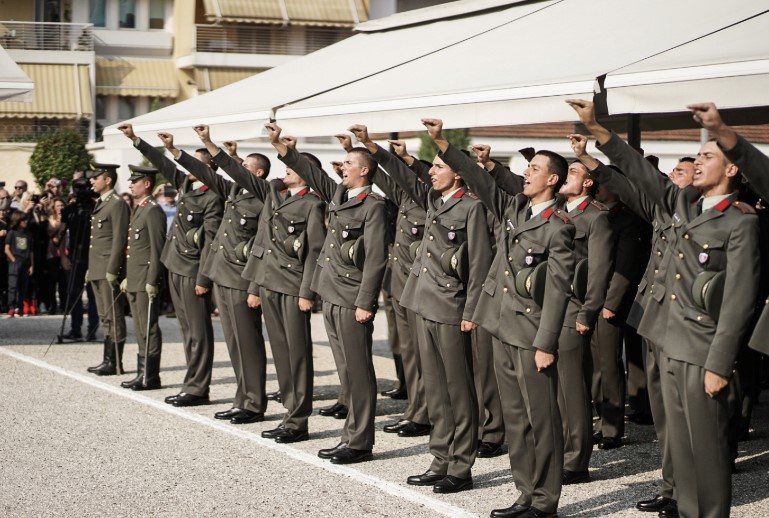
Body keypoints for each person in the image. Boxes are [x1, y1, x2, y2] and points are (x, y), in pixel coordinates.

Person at [568, 98, 759, 518]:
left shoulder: (741, 221)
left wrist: (719, 362)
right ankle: (683, 505)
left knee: (705, 448)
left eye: (708, 155)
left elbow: (740, 299)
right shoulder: (682, 205)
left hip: (700, 346)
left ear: (731, 169)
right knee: (678, 440)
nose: (699, 161)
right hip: (666, 335)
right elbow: (636, 170)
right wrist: (599, 131)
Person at [434, 118, 574, 517]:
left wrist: (546, 343)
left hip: (532, 335)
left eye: (534, 170)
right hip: (503, 327)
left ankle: (545, 502)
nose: (526, 174)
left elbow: (559, 290)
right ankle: (525, 493)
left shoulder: (558, 227)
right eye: (526, 170)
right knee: (516, 419)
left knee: (541, 419)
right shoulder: (517, 208)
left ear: (553, 181)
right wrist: (443, 144)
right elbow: (479, 180)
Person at [357, 121, 491, 493]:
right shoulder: (434, 200)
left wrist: (471, 312)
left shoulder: (472, 209)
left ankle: (461, 466)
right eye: (431, 166)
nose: (430, 172)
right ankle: (440, 457)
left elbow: (479, 264)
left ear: (458, 175)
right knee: (435, 388)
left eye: (438, 166)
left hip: (451, 307)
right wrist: (371, 147)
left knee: (458, 390)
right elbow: (404, 177)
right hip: (423, 303)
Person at [569, 137, 694, 517]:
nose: (673, 175)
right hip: (654, 321)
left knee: (686, 417)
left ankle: (691, 494)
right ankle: (673, 489)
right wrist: (590, 157)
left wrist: (600, 138)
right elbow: (626, 181)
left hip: (686, 327)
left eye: (684, 171)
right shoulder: (660, 211)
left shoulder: (721, 216)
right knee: (665, 421)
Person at [266, 122, 387, 465]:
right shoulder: (340, 197)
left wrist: (366, 301)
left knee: (359, 371)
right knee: (346, 370)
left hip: (352, 298)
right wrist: (284, 148)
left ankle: (361, 441)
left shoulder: (373, 206)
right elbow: (311, 173)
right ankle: (349, 435)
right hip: (332, 294)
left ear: (364, 171)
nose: (342, 168)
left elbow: (376, 258)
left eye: (348, 164)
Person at [195, 124, 325, 440]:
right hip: (269, 284)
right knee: (281, 353)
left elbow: (315, 252)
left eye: (291, 167)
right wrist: (211, 146)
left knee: (297, 355)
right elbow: (263, 244)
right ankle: (289, 417)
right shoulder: (274, 195)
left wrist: (308, 291)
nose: (284, 172)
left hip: (293, 287)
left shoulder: (313, 203)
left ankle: (298, 420)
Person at [167, 125, 271, 425]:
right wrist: (177, 151)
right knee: (235, 343)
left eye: (245, 168)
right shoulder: (235, 192)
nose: (238, 172)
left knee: (248, 342)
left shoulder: (263, 199)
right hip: (222, 277)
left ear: (258, 174)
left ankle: (253, 403)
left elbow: (260, 248)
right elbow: (210, 173)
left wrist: (211, 144)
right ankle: (242, 399)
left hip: (240, 279)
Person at [119, 123, 224, 407]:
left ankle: (198, 389)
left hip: (192, 271)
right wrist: (136, 140)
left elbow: (211, 242)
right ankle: (191, 383)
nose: (189, 168)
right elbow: (163, 164)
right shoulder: (187, 186)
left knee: (198, 332)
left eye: (196, 164)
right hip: (175, 265)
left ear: (210, 168)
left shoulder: (213, 197)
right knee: (187, 330)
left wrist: (204, 278)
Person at [336, 134, 430, 438]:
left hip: (420, 286)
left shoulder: (426, 199)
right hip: (398, 281)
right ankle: (415, 407)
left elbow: (396, 176)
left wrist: (394, 156)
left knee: (420, 351)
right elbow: (379, 176)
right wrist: (356, 154)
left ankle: (423, 411)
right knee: (407, 349)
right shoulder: (403, 199)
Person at [118, 166, 167, 391]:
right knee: (139, 327)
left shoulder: (153, 210)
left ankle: (150, 376)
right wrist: (129, 277)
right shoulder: (140, 209)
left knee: (149, 327)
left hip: (146, 278)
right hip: (136, 278)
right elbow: (136, 248)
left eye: (134, 182)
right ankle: (142, 373)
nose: (130, 185)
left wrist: (152, 280)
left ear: (146, 184)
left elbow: (157, 250)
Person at [86, 163, 129, 375]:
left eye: (96, 177)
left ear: (108, 180)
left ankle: (115, 362)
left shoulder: (117, 204)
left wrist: (113, 269)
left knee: (113, 314)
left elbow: (119, 239)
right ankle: (107, 359)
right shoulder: (102, 203)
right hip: (97, 267)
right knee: (104, 315)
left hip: (107, 269)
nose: (92, 181)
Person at [61, 178, 100, 341]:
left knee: (93, 294)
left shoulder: (97, 208)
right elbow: (62, 233)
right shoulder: (69, 210)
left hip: (93, 255)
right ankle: (75, 328)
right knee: (73, 292)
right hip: (75, 254)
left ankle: (92, 329)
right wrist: (63, 255)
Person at [5, 211, 34, 317]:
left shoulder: (28, 234)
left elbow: (31, 251)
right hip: (15, 262)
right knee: (13, 285)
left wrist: (31, 265)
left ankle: (19, 307)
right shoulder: (12, 233)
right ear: (18, 221)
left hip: (25, 262)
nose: (25, 222)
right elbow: (6, 249)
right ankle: (11, 307)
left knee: (23, 286)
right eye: (23, 220)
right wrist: (13, 259)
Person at [44, 197, 67, 314]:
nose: (60, 208)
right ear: (53, 207)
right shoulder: (50, 219)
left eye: (62, 205)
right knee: (52, 281)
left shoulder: (67, 219)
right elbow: (49, 233)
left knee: (63, 281)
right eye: (57, 206)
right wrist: (59, 223)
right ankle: (52, 305)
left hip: (64, 252)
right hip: (52, 253)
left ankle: (64, 304)